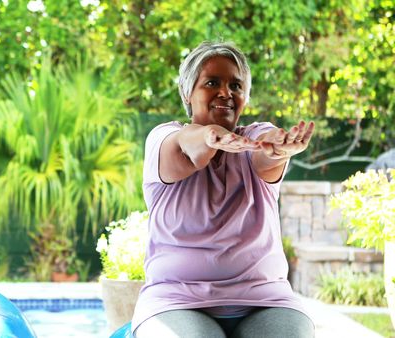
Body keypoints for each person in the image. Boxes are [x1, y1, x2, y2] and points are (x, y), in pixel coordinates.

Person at [132, 41, 316, 338]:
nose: (225, 93)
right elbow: (190, 149)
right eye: (212, 82)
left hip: (264, 301)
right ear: (188, 94)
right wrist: (210, 136)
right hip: (176, 302)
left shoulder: (252, 138)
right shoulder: (164, 139)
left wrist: (278, 147)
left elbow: (266, 152)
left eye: (236, 85)